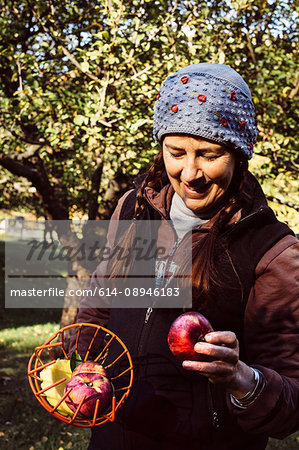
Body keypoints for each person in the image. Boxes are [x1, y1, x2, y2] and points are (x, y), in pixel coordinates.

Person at [68, 63, 299, 450]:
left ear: (239, 155)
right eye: (176, 152)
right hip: (114, 436)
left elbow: (291, 404)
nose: (190, 173)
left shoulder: (272, 251)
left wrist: (243, 379)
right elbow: (101, 296)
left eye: (209, 154)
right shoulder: (132, 207)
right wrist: (87, 359)